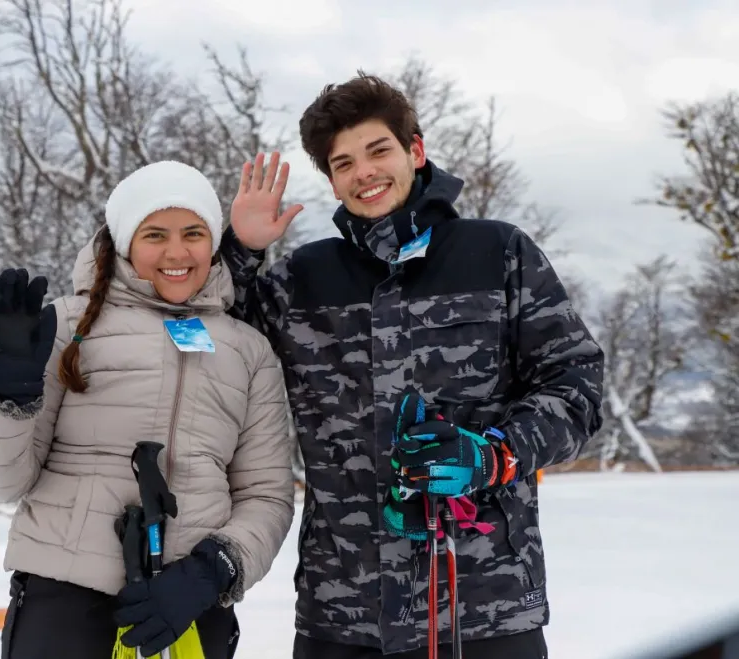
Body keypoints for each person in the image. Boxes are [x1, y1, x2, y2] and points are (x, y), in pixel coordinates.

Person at [219, 73, 605, 659]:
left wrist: (493, 453)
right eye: (342, 163)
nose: (364, 172)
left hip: (486, 607)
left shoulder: (499, 253)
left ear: (415, 150)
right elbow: (209, 350)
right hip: (342, 610)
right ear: (331, 179)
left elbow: (576, 387)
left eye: (378, 150)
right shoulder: (301, 279)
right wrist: (241, 254)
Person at [0, 160, 296, 659]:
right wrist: (10, 395)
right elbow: (1, 483)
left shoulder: (248, 351)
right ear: (123, 242)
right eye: (154, 234)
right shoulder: (67, 325)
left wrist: (215, 569)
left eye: (193, 233)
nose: (177, 252)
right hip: (65, 602)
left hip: (190, 604)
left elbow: (267, 494)